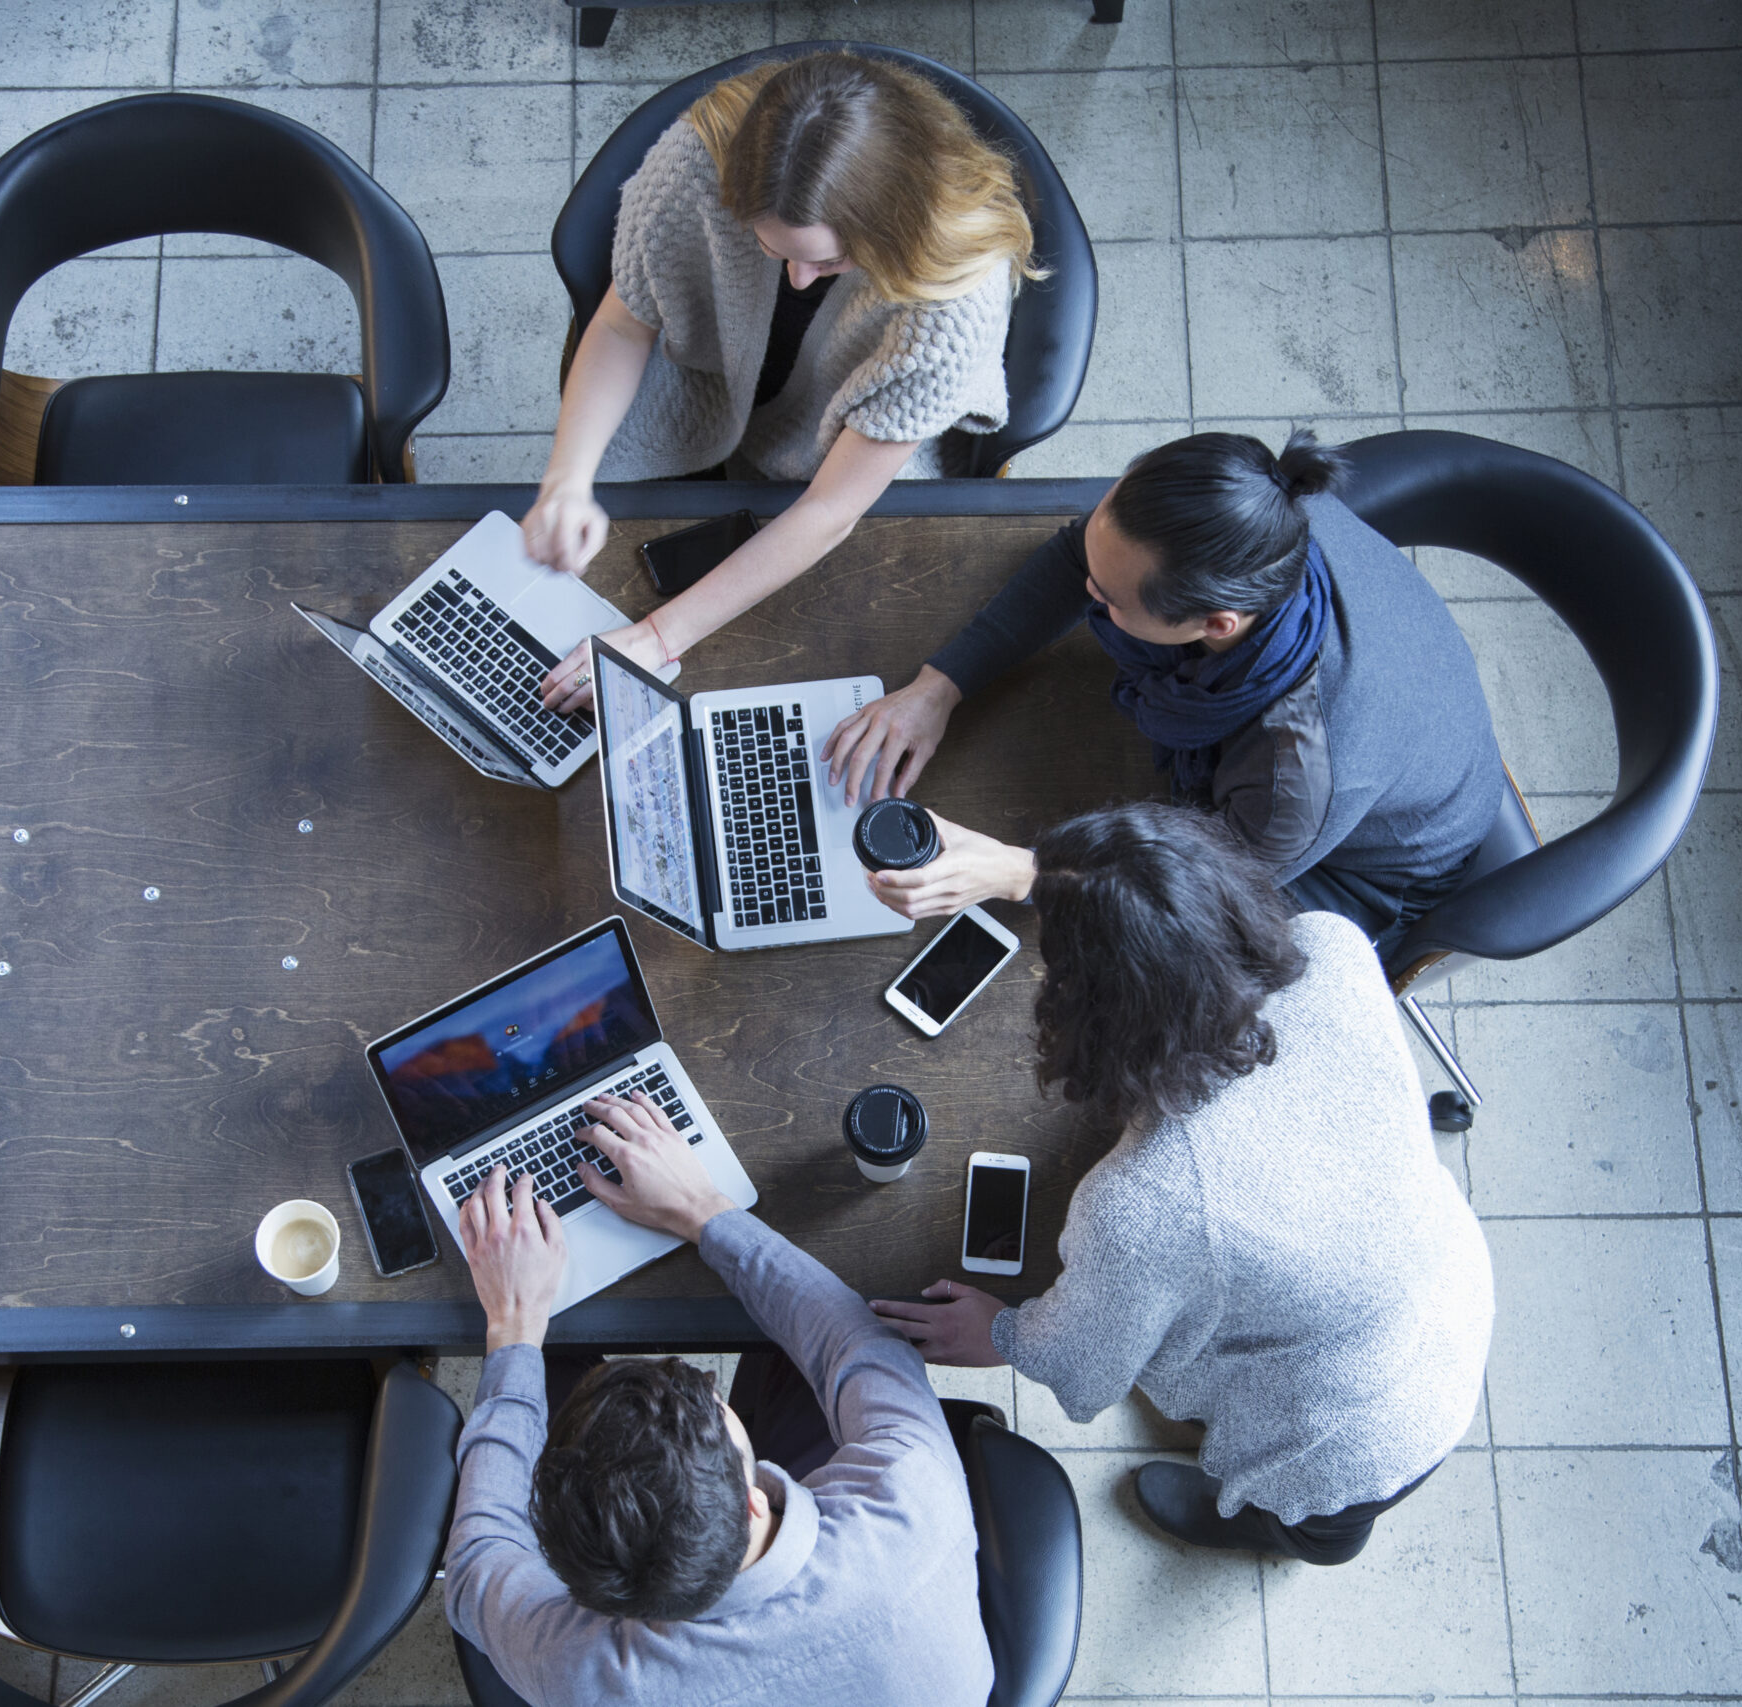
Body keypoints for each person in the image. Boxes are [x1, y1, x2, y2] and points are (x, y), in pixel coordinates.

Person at [870, 805, 1492, 1565]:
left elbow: (1087, 1370)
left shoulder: (1145, 1205)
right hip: (1454, 1285)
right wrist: (1044, 876)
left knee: (1319, 1526)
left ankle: (1263, 1526)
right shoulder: (1332, 945)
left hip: (1351, 1435)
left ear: (1101, 1012)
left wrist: (1002, 1334)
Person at [822, 430, 1503, 938]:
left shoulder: (1291, 781)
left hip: (1352, 863)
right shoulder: (1252, 520)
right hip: (1400, 727)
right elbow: (1075, 556)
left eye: (1110, 601)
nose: (1087, 595)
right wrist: (939, 685)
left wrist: (1016, 872)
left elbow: (1193, 892)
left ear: (1215, 623)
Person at [526, 50, 1040, 712]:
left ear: (893, 221)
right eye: (772, 249)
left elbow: (830, 509)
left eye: (829, 260)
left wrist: (658, 636)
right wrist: (566, 481)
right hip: (698, 400)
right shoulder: (693, 163)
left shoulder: (955, 299)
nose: (797, 278)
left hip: (839, 466)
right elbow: (625, 326)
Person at [444, 1091, 991, 1707]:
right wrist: (700, 1209)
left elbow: (474, 1568)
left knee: (553, 1365)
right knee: (804, 1350)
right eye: (710, 1402)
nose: (704, 1386)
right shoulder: (911, 1505)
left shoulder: (589, 1678)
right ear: (754, 1502)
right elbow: (861, 1346)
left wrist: (515, 1326)